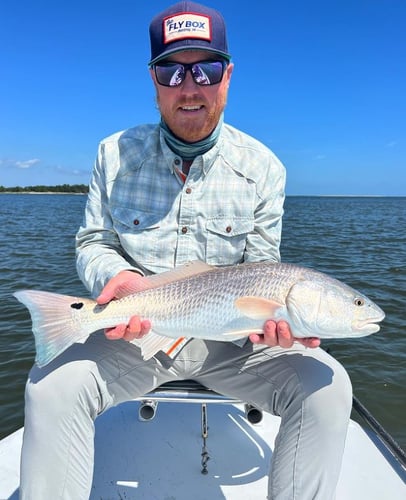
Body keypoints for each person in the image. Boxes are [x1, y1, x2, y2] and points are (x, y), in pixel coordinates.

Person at [20, 2, 352, 499]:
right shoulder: (113, 155)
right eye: (171, 71)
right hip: (136, 335)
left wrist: (279, 329)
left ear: (228, 75)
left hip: (232, 347)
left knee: (329, 388)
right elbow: (94, 241)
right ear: (154, 82)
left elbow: (263, 266)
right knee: (49, 388)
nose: (190, 86)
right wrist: (117, 280)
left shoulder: (264, 168)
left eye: (206, 68)